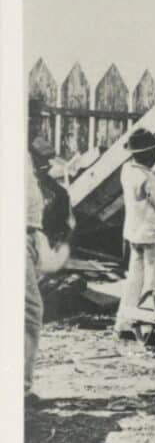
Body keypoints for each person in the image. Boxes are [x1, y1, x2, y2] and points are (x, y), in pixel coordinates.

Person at [115, 128, 155, 338]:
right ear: (146, 153)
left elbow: (149, 174)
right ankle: (151, 329)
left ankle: (124, 324)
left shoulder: (127, 170)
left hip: (134, 233)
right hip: (153, 234)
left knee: (134, 280)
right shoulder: (148, 178)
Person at [26, 141, 72, 405]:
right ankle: (19, 388)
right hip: (20, 232)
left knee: (30, 312)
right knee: (29, 312)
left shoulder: (52, 190)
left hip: (32, 233)